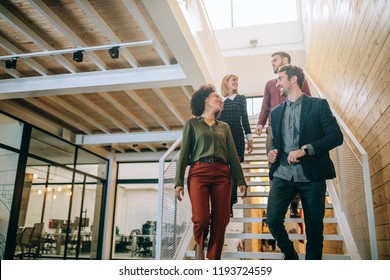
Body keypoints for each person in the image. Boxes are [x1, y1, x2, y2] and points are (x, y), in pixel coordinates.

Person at [266, 64, 343, 260]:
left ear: (293, 80)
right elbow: (277, 143)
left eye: (280, 79)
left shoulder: (319, 105)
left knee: (315, 230)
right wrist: (272, 153)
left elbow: (336, 136)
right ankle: (291, 256)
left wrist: (306, 150)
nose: (277, 84)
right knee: (273, 220)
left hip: (312, 175)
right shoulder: (275, 113)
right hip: (283, 173)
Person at [175, 84, 248, 260]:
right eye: (216, 96)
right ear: (205, 99)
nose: (220, 100)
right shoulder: (192, 124)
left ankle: (212, 259)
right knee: (201, 219)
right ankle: (200, 246)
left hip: (223, 175)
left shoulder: (224, 127)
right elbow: (184, 154)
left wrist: (241, 180)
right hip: (198, 173)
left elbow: (232, 154)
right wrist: (178, 182)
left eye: (220, 99)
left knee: (221, 220)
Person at [256, 51, 312, 218]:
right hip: (274, 128)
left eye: (275, 60)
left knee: (295, 164)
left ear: (285, 60)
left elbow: (308, 100)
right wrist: (260, 122)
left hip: (296, 129)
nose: (272, 63)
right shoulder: (270, 84)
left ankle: (295, 205)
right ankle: (274, 206)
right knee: (273, 165)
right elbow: (265, 106)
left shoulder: (300, 80)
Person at [219, 74, 253, 217]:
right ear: (226, 82)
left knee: (234, 171)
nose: (236, 83)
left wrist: (249, 138)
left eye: (237, 81)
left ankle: (230, 204)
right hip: (223, 138)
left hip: (237, 137)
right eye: (233, 80)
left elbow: (244, 118)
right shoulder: (219, 100)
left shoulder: (240, 98)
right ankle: (226, 202)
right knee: (225, 172)